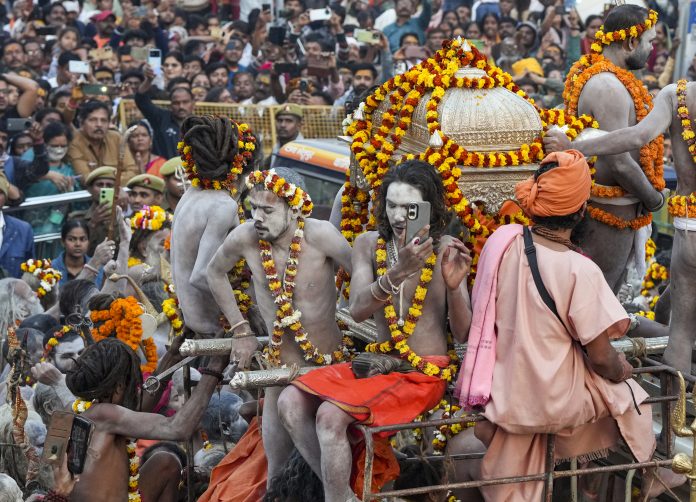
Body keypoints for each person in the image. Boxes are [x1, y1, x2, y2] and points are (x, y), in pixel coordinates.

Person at [455, 150, 661, 501]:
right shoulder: (580, 270)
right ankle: (650, 473)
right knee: (631, 396)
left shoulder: (504, 243)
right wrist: (623, 369)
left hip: (506, 390)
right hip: (553, 399)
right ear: (582, 212)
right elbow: (600, 357)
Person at [277, 160, 472, 501]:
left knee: (329, 415)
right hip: (378, 365)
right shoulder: (370, 244)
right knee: (290, 401)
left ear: (430, 207)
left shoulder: (446, 248)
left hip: (423, 373)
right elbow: (358, 308)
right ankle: (342, 494)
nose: (399, 217)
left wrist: (455, 288)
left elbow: (464, 330)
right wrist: (397, 272)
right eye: (392, 205)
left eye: (410, 208)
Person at [206, 167, 352, 491]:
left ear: (295, 207)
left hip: (327, 367)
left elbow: (362, 274)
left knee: (339, 446)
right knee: (277, 474)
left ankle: (338, 494)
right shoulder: (245, 237)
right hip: (278, 370)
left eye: (268, 210)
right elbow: (213, 272)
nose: (257, 217)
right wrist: (241, 329)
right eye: (253, 208)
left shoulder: (322, 235)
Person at [543, 79, 696, 381]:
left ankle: (676, 419)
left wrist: (574, 147)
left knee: (680, 330)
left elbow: (636, 136)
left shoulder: (679, 95)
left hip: (690, 228)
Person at [563, 5, 665, 293]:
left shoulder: (603, 76)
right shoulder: (608, 87)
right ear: (631, 42)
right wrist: (655, 200)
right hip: (609, 215)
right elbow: (619, 162)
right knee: (598, 301)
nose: (651, 48)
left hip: (613, 211)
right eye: (650, 42)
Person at [63, 337, 229, 501]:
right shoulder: (105, 414)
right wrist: (215, 366)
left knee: (165, 463)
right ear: (120, 386)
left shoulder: (76, 411)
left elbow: (137, 409)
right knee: (166, 461)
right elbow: (179, 428)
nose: (135, 391)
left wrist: (172, 357)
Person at [171, 115, 260, 337]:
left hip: (190, 318)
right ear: (241, 169)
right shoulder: (222, 205)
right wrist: (241, 322)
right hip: (212, 327)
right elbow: (202, 276)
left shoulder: (191, 193)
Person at [67, 100, 139, 184]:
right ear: (81, 123)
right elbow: (86, 178)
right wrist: (115, 179)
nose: (99, 124)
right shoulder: (74, 142)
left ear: (109, 123)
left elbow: (133, 172)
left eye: (103, 120)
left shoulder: (116, 138)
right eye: (93, 120)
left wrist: (106, 183)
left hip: (118, 193)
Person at [135, 65, 195, 159]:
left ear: (193, 104)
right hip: (162, 171)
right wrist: (148, 80)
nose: (181, 106)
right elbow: (141, 100)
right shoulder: (161, 118)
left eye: (185, 102)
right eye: (176, 103)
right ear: (170, 104)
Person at [52, 219, 110, 288]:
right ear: (62, 242)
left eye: (83, 239)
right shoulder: (51, 269)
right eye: (71, 239)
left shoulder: (99, 269)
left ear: (88, 241)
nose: (78, 244)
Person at [0, 172, 34, 278]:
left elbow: (30, 274)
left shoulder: (23, 230)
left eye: (0, 192)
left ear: (5, 198)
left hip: (13, 293)